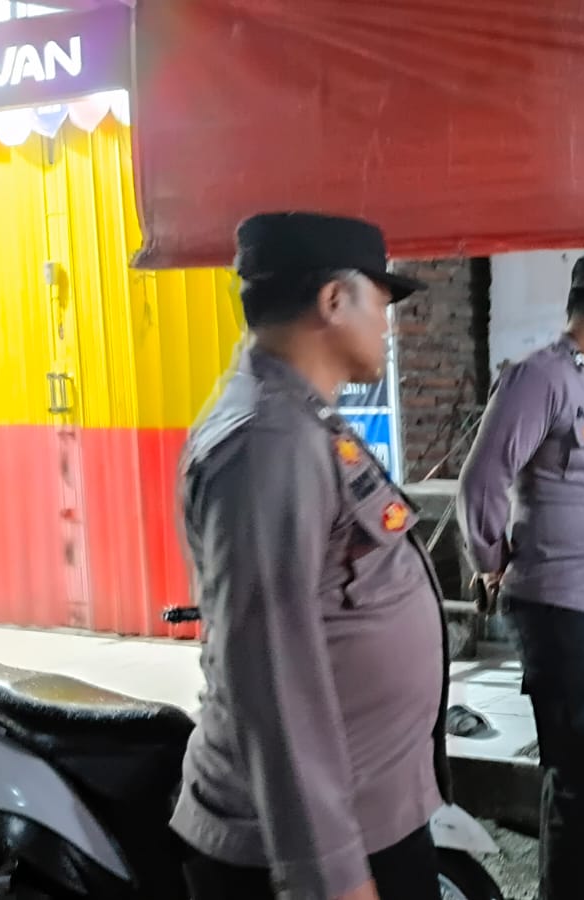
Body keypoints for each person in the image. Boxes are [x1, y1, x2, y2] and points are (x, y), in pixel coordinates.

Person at [173, 212, 453, 900]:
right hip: (316, 849)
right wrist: (329, 872)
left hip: (365, 817)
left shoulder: (303, 420)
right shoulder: (269, 441)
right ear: (333, 300)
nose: (388, 325)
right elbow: (271, 672)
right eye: (380, 303)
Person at [457, 254, 584, 900]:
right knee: (583, 772)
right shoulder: (538, 378)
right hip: (564, 605)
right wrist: (490, 563)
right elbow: (481, 480)